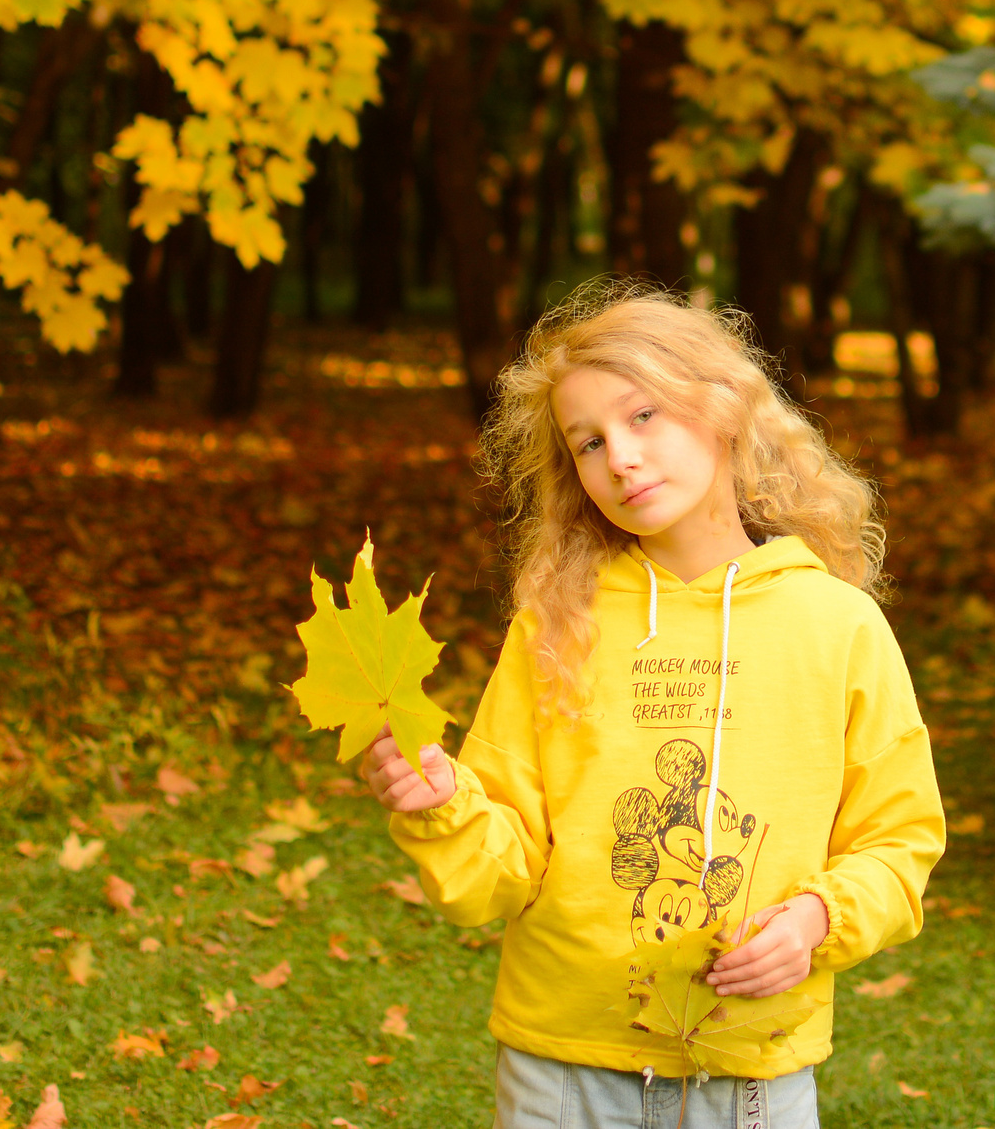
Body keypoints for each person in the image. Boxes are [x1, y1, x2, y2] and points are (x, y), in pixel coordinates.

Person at [360, 283, 946, 1129]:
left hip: (754, 1073)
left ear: (722, 408)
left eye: (643, 418)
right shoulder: (559, 624)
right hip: (562, 1069)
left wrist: (820, 918)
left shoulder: (838, 623)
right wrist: (443, 806)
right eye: (588, 442)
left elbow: (900, 839)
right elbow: (502, 867)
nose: (620, 459)